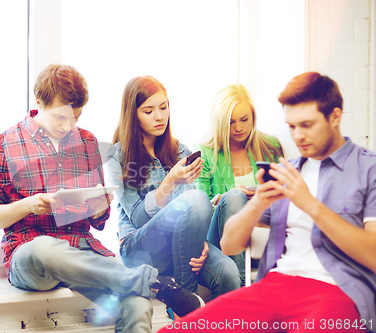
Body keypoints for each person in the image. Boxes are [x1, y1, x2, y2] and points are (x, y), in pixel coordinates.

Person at [0, 64, 205, 333]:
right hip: (29, 252)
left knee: (136, 301)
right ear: (39, 103)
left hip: (82, 249)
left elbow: (99, 222)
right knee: (44, 248)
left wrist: (99, 206)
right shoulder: (4, 142)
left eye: (75, 117)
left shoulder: (87, 141)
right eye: (60, 118)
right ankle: (154, 282)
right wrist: (28, 205)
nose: (68, 126)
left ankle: (145, 286)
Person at [158, 72, 376, 333]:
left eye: (307, 125)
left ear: (335, 117)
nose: (297, 136)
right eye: (292, 127)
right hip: (274, 286)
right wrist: (258, 201)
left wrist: (309, 203)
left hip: (338, 288)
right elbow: (228, 245)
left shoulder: (367, 169)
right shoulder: (287, 170)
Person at [106, 76, 241, 315]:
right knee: (194, 198)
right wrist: (170, 181)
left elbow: (195, 215)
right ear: (132, 113)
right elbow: (138, 218)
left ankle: (208, 323)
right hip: (141, 250)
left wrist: (201, 245)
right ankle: (185, 308)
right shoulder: (117, 157)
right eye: (149, 110)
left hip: (181, 248)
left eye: (164, 107)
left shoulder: (180, 151)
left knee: (228, 273)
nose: (159, 116)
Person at [193, 83, 283, 285]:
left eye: (244, 119)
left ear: (253, 117)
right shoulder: (205, 152)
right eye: (231, 122)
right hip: (221, 237)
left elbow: (283, 196)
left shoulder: (270, 147)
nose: (239, 127)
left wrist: (261, 197)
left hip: (261, 228)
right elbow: (199, 207)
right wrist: (228, 196)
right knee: (235, 197)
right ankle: (242, 286)